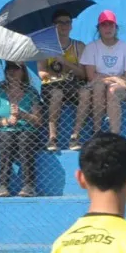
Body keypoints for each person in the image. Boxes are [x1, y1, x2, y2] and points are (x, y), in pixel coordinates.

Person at [0, 61, 42, 197]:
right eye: (9, 68)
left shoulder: (31, 92)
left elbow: (38, 121)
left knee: (25, 138)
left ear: (23, 72)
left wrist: (23, 115)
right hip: (2, 131)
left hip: (25, 130)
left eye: (16, 68)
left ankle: (29, 185)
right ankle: (2, 185)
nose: (12, 71)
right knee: (7, 138)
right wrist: (6, 121)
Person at [78, 10, 126, 144]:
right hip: (99, 86)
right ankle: (97, 131)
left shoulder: (125, 47)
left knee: (112, 91)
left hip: (120, 88)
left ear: (116, 28)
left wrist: (112, 80)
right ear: (98, 28)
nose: (108, 28)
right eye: (104, 25)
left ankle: (115, 136)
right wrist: (115, 78)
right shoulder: (92, 47)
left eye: (111, 25)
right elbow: (91, 76)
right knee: (98, 87)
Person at [37, 9, 89, 152]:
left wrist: (65, 62)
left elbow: (83, 74)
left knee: (85, 93)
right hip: (52, 85)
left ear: (71, 25)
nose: (64, 25)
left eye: (67, 22)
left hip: (73, 84)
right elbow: (41, 72)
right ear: (54, 25)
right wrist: (53, 74)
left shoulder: (79, 46)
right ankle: (52, 137)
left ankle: (75, 136)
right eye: (60, 22)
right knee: (57, 94)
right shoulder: (45, 46)